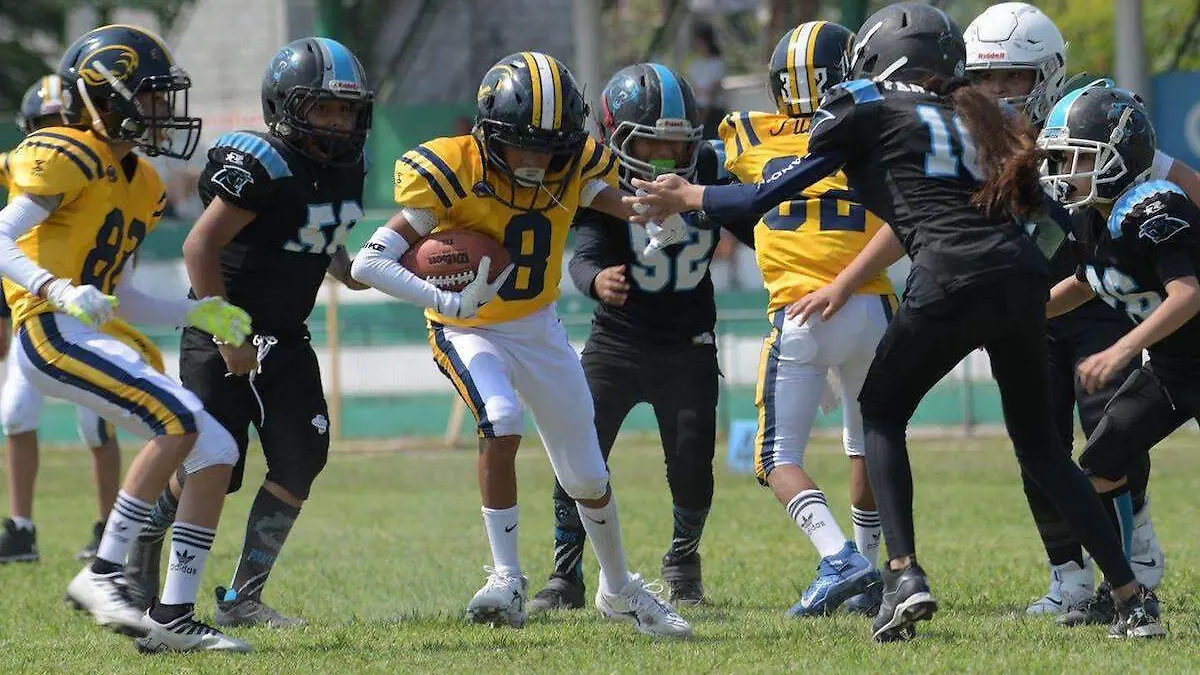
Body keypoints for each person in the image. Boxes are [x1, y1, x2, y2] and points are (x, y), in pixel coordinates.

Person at [625, 2, 1163, 642]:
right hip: (1020, 275)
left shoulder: (862, 103)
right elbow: (1048, 214)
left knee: (880, 410)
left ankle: (903, 574)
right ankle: (1132, 598)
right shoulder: (975, 112)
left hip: (949, 272)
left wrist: (688, 196)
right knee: (1045, 450)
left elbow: (770, 194)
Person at [351, 51, 691, 638]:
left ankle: (619, 589)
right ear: (489, 133)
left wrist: (646, 210)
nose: (537, 161)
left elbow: (603, 193)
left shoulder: (572, 160)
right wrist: (452, 304)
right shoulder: (452, 168)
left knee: (586, 473)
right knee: (501, 418)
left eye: (550, 147)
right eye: (524, 145)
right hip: (468, 325)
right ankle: (506, 577)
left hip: (538, 325)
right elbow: (369, 261)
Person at [0, 25, 253, 652]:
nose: (166, 112)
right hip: (49, 330)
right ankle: (105, 570)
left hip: (86, 329)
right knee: (177, 422)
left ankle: (171, 618)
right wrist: (55, 289)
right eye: (153, 97)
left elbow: (127, 294)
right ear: (105, 98)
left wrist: (196, 313)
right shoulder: (67, 151)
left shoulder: (140, 181)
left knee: (216, 454)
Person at [123, 37, 373, 629]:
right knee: (214, 466)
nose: (338, 123)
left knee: (301, 459)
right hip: (224, 329)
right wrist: (228, 332)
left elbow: (312, 226)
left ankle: (242, 599)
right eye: (323, 109)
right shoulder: (264, 160)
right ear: (285, 107)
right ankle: (143, 545)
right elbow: (199, 245)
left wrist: (345, 266)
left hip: (286, 334)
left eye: (346, 110)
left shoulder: (347, 165)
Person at [964, 1, 1200, 616]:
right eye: (986, 78)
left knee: (1105, 435)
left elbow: (1182, 266)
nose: (998, 91)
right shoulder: (977, 148)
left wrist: (1125, 341)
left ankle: (1132, 560)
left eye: (1013, 76)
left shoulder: (1111, 145)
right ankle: (1086, 580)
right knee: (1057, 453)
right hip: (1105, 331)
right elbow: (1084, 277)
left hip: (1129, 323)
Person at [527, 62, 752, 611]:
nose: (664, 158)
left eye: (676, 145)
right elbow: (582, 258)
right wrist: (596, 281)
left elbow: (757, 223)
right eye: (650, 143)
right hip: (618, 343)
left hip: (689, 344)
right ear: (618, 137)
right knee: (580, 454)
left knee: (693, 462)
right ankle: (566, 574)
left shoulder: (710, 178)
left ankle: (682, 558)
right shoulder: (602, 190)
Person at [716, 19, 894, 619]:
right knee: (866, 441)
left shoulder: (746, 135)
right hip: (871, 303)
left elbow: (722, 190)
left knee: (775, 459)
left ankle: (839, 557)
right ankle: (870, 568)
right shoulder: (874, 128)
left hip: (802, 310)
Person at [1040, 85, 1200, 632]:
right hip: (1175, 371)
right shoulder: (1092, 217)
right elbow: (1087, 283)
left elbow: (1187, 295)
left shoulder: (1154, 203)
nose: (1064, 170)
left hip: (1180, 358)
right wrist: (1017, 317)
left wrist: (1120, 349)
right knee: (1101, 462)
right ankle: (1126, 586)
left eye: (1076, 157)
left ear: (1115, 155)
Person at [0, 75, 170, 565]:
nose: (54, 134)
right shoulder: (39, 169)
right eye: (44, 126)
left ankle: (106, 526)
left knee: (100, 425)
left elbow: (121, 277)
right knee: (14, 413)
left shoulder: (125, 176)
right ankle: (22, 527)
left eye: (61, 123)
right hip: (37, 310)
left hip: (87, 311)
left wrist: (185, 311)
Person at [688, 21, 727, 139]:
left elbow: (714, 92)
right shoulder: (695, 65)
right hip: (698, 112)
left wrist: (703, 117)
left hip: (713, 114)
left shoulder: (717, 63)